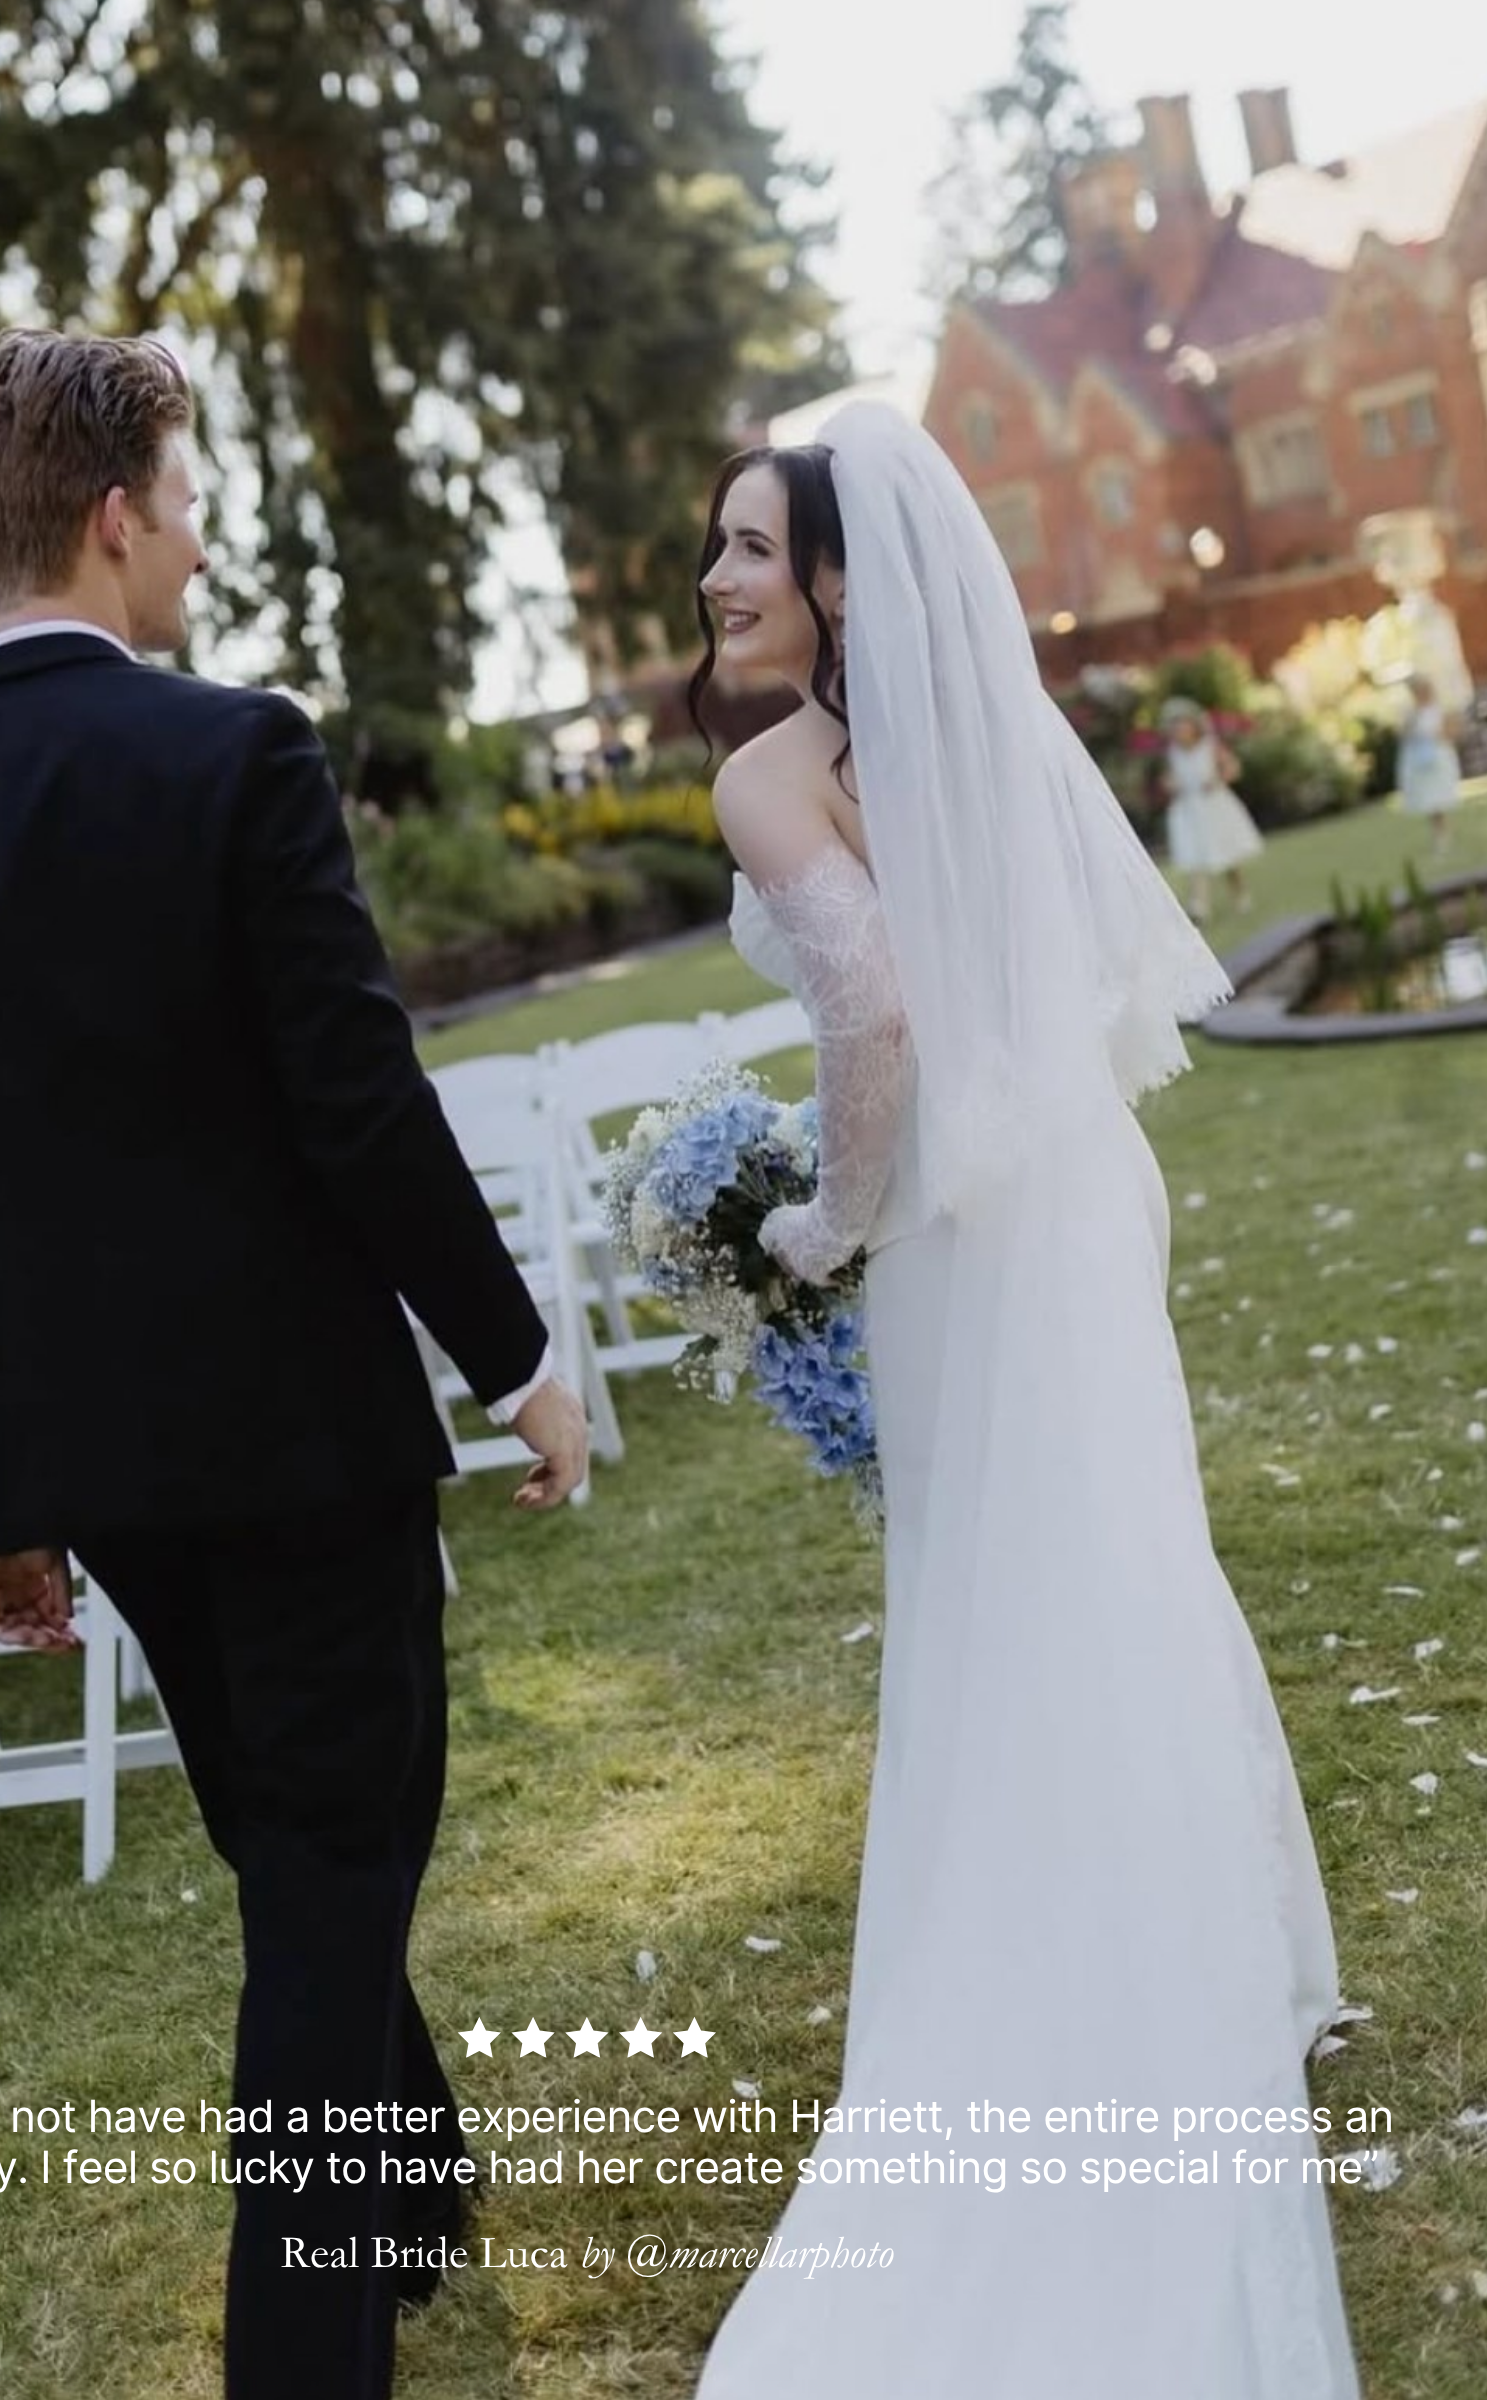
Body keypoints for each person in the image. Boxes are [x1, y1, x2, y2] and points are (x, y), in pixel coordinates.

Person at [0, 327, 588, 2400]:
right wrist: (519, 1360)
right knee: (333, 1882)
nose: (201, 530)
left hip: (105, 1473)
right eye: (188, 489)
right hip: (300, 1447)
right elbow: (359, 1100)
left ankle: (407, 2187)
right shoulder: (236, 751)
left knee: (291, 1839)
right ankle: (300, 2360)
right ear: (112, 514)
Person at [687, 406, 1358, 2398]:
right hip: (1072, 1194)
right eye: (712, 548)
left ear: (832, 582)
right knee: (1121, 1567)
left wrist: (819, 1223)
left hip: (959, 1239)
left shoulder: (772, 779)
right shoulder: (965, 748)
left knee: (997, 1608)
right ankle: (1191, 1960)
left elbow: (875, 1028)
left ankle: (1046, 2006)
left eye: (747, 549)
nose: (716, 581)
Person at [1159, 694, 1263, 921]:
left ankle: (1240, 893)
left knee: (1227, 857)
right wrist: (1170, 784)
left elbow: (1233, 768)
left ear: (1193, 726)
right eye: (1175, 727)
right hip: (1188, 811)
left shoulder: (1210, 747)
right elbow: (1169, 778)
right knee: (1194, 857)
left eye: (1183, 725)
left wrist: (1217, 780)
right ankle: (1199, 905)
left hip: (1214, 808)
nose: (1179, 731)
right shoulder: (1173, 754)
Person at [1396, 672, 1462, 854]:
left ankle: (1443, 838)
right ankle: (1439, 837)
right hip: (1420, 762)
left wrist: (1434, 735)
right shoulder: (1411, 713)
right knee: (1429, 802)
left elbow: (1451, 733)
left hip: (1438, 760)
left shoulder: (1440, 709)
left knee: (1439, 800)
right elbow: (1404, 735)